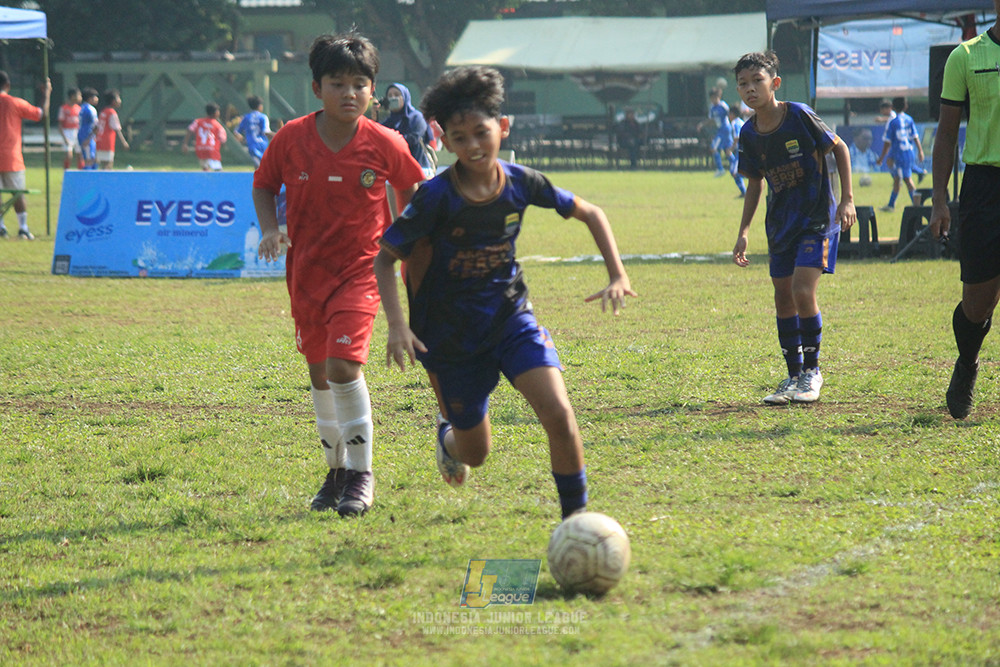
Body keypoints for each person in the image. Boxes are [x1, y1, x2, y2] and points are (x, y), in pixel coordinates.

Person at [373, 65, 636, 520]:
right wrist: (397, 325)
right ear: (445, 140)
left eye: (482, 132)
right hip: (450, 338)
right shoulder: (436, 197)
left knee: (558, 413)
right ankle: (448, 437)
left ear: (503, 128)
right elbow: (385, 257)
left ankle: (576, 522)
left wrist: (618, 275)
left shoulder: (521, 182)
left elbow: (590, 212)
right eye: (461, 137)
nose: (474, 145)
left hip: (511, 320)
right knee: (474, 453)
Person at [252, 33, 425, 517]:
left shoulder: (385, 142)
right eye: (338, 83)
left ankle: (362, 474)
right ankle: (335, 472)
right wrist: (271, 229)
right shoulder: (290, 138)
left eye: (360, 84)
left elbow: (412, 187)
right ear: (316, 87)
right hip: (306, 272)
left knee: (343, 368)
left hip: (363, 271)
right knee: (318, 374)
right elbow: (264, 186)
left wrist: (405, 242)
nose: (350, 93)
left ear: (373, 90)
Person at [731, 51, 856, 405]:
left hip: (817, 218)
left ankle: (813, 372)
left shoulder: (798, 115)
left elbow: (840, 148)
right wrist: (744, 231)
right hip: (780, 223)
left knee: (803, 290)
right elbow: (755, 184)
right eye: (743, 83)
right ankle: (793, 376)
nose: (750, 88)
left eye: (757, 80)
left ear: (775, 83)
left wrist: (847, 199)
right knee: (782, 297)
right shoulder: (749, 134)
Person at [929, 0, 1000, 420]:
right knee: (978, 303)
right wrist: (939, 199)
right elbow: (946, 133)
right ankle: (967, 362)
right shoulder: (966, 56)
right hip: (984, 187)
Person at [0, 71, 50, 240]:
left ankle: (1, 227)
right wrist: (46, 94)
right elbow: (41, 114)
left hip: (9, 155)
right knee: (18, 193)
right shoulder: (15, 102)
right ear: (8, 85)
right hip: (11, 157)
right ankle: (23, 227)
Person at [875, 97, 924, 212]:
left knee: (907, 179)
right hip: (909, 152)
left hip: (900, 154)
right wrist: (920, 151)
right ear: (905, 106)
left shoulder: (893, 123)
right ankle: (891, 205)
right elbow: (915, 136)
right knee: (897, 179)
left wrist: (882, 158)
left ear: (892, 107)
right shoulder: (909, 119)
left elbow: (887, 143)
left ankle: (917, 207)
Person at [380, 82, 436, 179]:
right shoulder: (388, 121)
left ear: (405, 97)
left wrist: (391, 141)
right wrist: (376, 116)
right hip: (395, 172)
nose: (393, 98)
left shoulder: (417, 118)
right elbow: (377, 137)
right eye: (390, 96)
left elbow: (413, 139)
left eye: (397, 95)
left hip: (419, 169)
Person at [697, 87, 732, 177]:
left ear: (719, 97)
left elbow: (731, 116)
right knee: (727, 150)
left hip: (725, 129)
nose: (713, 100)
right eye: (712, 98)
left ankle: (720, 169)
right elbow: (711, 119)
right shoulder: (712, 107)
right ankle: (737, 168)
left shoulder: (723, 106)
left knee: (713, 148)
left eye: (715, 97)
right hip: (720, 130)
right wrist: (702, 124)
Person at [184, 102, 228, 171]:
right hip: (212, 150)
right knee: (218, 170)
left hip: (200, 149)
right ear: (215, 113)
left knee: (205, 168)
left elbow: (190, 129)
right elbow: (223, 139)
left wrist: (185, 144)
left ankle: (206, 174)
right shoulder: (218, 125)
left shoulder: (198, 121)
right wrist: (223, 146)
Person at [94, 89, 129, 170]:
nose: (120, 101)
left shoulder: (103, 112)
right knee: (108, 165)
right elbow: (117, 128)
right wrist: (124, 142)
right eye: (118, 98)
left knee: (103, 164)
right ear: (113, 101)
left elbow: (97, 127)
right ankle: (105, 181)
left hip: (100, 140)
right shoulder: (112, 113)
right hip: (107, 141)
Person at [234, 95, 272, 168]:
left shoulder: (246, 117)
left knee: (258, 168)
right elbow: (266, 132)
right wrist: (278, 134)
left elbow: (236, 131)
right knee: (262, 169)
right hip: (262, 145)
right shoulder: (263, 117)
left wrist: (241, 138)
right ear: (259, 106)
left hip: (251, 145)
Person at [57, 88, 83, 170]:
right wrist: (64, 138)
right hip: (67, 132)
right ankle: (66, 172)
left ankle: (81, 174)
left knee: (80, 154)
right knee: (69, 155)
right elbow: (60, 125)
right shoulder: (64, 108)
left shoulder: (79, 108)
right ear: (72, 96)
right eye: (78, 95)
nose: (80, 97)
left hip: (77, 132)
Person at [726, 105, 747, 197]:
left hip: (741, 150)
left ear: (732, 114)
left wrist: (731, 148)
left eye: (729, 114)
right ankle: (744, 192)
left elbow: (737, 137)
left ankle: (754, 178)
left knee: (735, 172)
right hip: (744, 149)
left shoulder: (735, 123)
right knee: (734, 172)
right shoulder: (741, 122)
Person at [77, 88, 99, 171]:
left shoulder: (81, 108)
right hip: (88, 136)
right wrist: (89, 138)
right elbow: (96, 126)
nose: (97, 99)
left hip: (81, 135)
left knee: (89, 158)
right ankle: (89, 180)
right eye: (95, 97)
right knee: (90, 160)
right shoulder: (91, 109)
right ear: (90, 98)